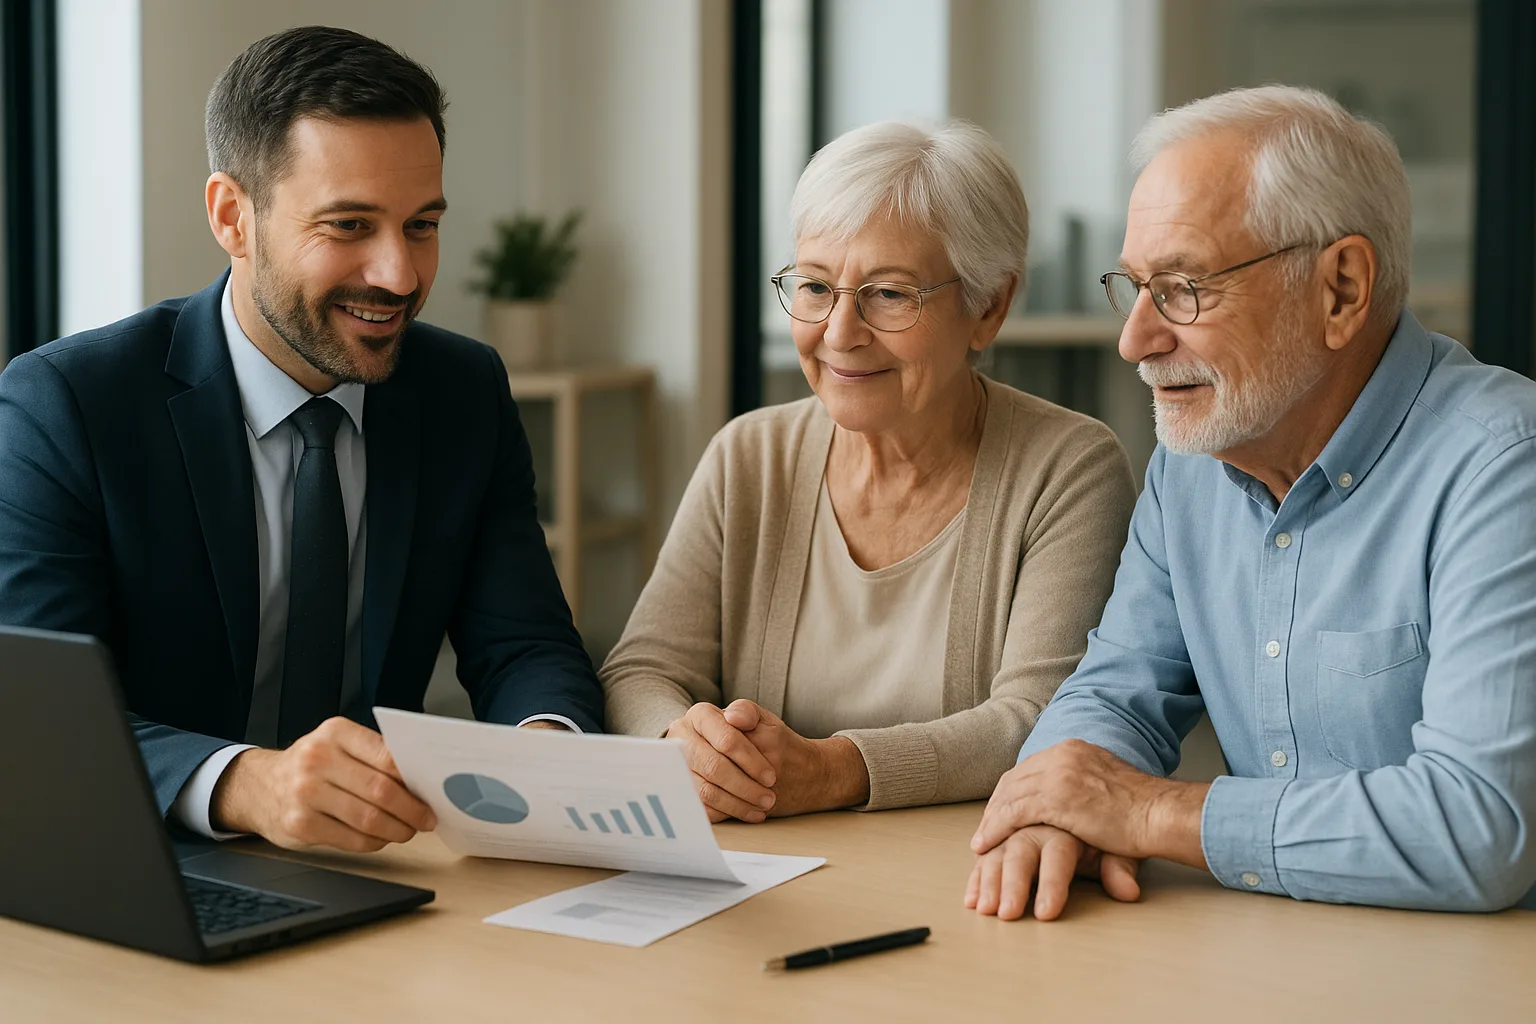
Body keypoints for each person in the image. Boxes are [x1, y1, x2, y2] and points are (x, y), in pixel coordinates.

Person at [0, 27, 602, 854]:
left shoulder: (463, 391)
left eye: (421, 224)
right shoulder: (65, 405)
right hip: (144, 865)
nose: (399, 275)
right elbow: (35, 721)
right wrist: (248, 785)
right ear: (232, 217)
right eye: (349, 225)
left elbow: (526, 643)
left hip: (377, 870)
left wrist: (545, 750)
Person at [967, 85, 1536, 921]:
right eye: (1134, 288)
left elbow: (1478, 829)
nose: (1136, 341)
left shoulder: (1504, 464)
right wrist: (1046, 817)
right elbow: (1114, 694)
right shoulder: (1190, 466)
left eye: (1185, 288)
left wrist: (1151, 812)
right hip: (1263, 960)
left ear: (1341, 288)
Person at [601, 121, 1136, 822]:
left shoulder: (1068, 469)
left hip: (964, 882)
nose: (839, 333)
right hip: (759, 874)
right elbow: (642, 671)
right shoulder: (748, 456)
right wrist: (683, 743)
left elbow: (1038, 719)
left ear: (990, 305)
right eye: (816, 287)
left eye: (888, 294)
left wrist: (836, 771)